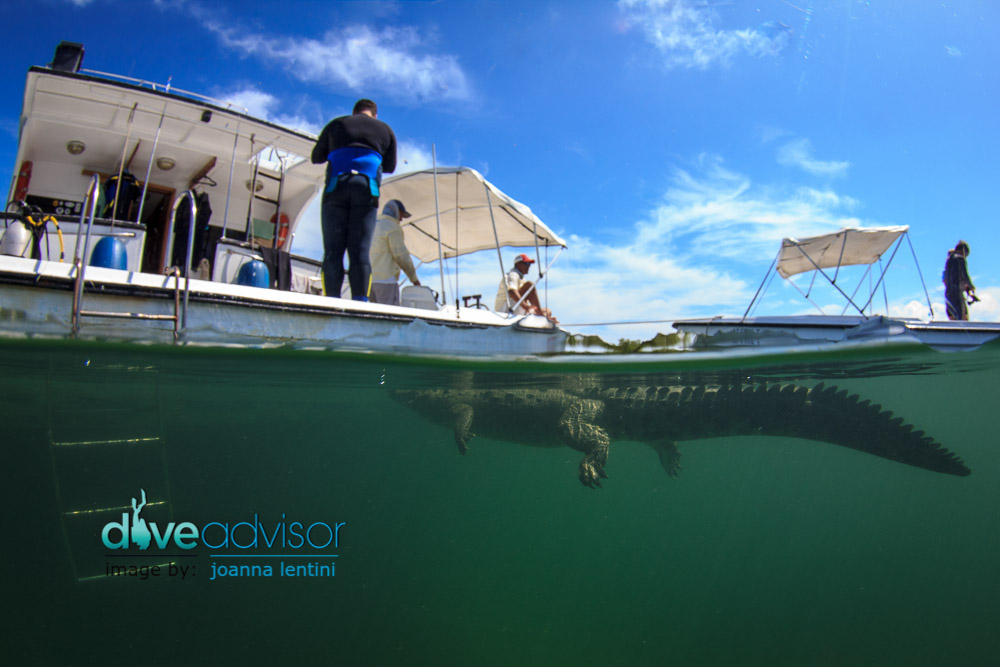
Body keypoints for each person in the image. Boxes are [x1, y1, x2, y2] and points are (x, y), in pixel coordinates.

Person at [311, 98, 398, 301]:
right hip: (367, 189)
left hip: (336, 186)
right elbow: (390, 166)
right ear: (374, 115)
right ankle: (360, 302)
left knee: (333, 251)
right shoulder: (385, 129)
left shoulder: (336, 125)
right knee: (360, 252)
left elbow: (316, 157)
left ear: (354, 113)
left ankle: (331, 301)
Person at [369, 199, 420, 305]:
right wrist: (414, 280)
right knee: (389, 318)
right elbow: (401, 256)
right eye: (401, 215)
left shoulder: (373, 224)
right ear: (396, 212)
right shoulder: (393, 227)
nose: (401, 219)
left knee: (374, 318)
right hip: (386, 281)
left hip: (368, 282)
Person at [495, 253, 557, 323]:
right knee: (529, 286)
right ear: (518, 264)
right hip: (505, 311)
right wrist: (527, 307)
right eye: (526, 264)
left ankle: (543, 317)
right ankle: (542, 317)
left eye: (529, 264)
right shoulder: (513, 275)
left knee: (547, 311)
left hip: (516, 308)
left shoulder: (521, 278)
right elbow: (512, 292)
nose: (529, 266)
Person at [943, 240, 976, 321]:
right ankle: (963, 332)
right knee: (962, 317)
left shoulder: (949, 260)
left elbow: (946, 279)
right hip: (957, 293)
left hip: (948, 293)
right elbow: (965, 275)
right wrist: (971, 287)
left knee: (952, 317)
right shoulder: (960, 259)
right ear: (964, 251)